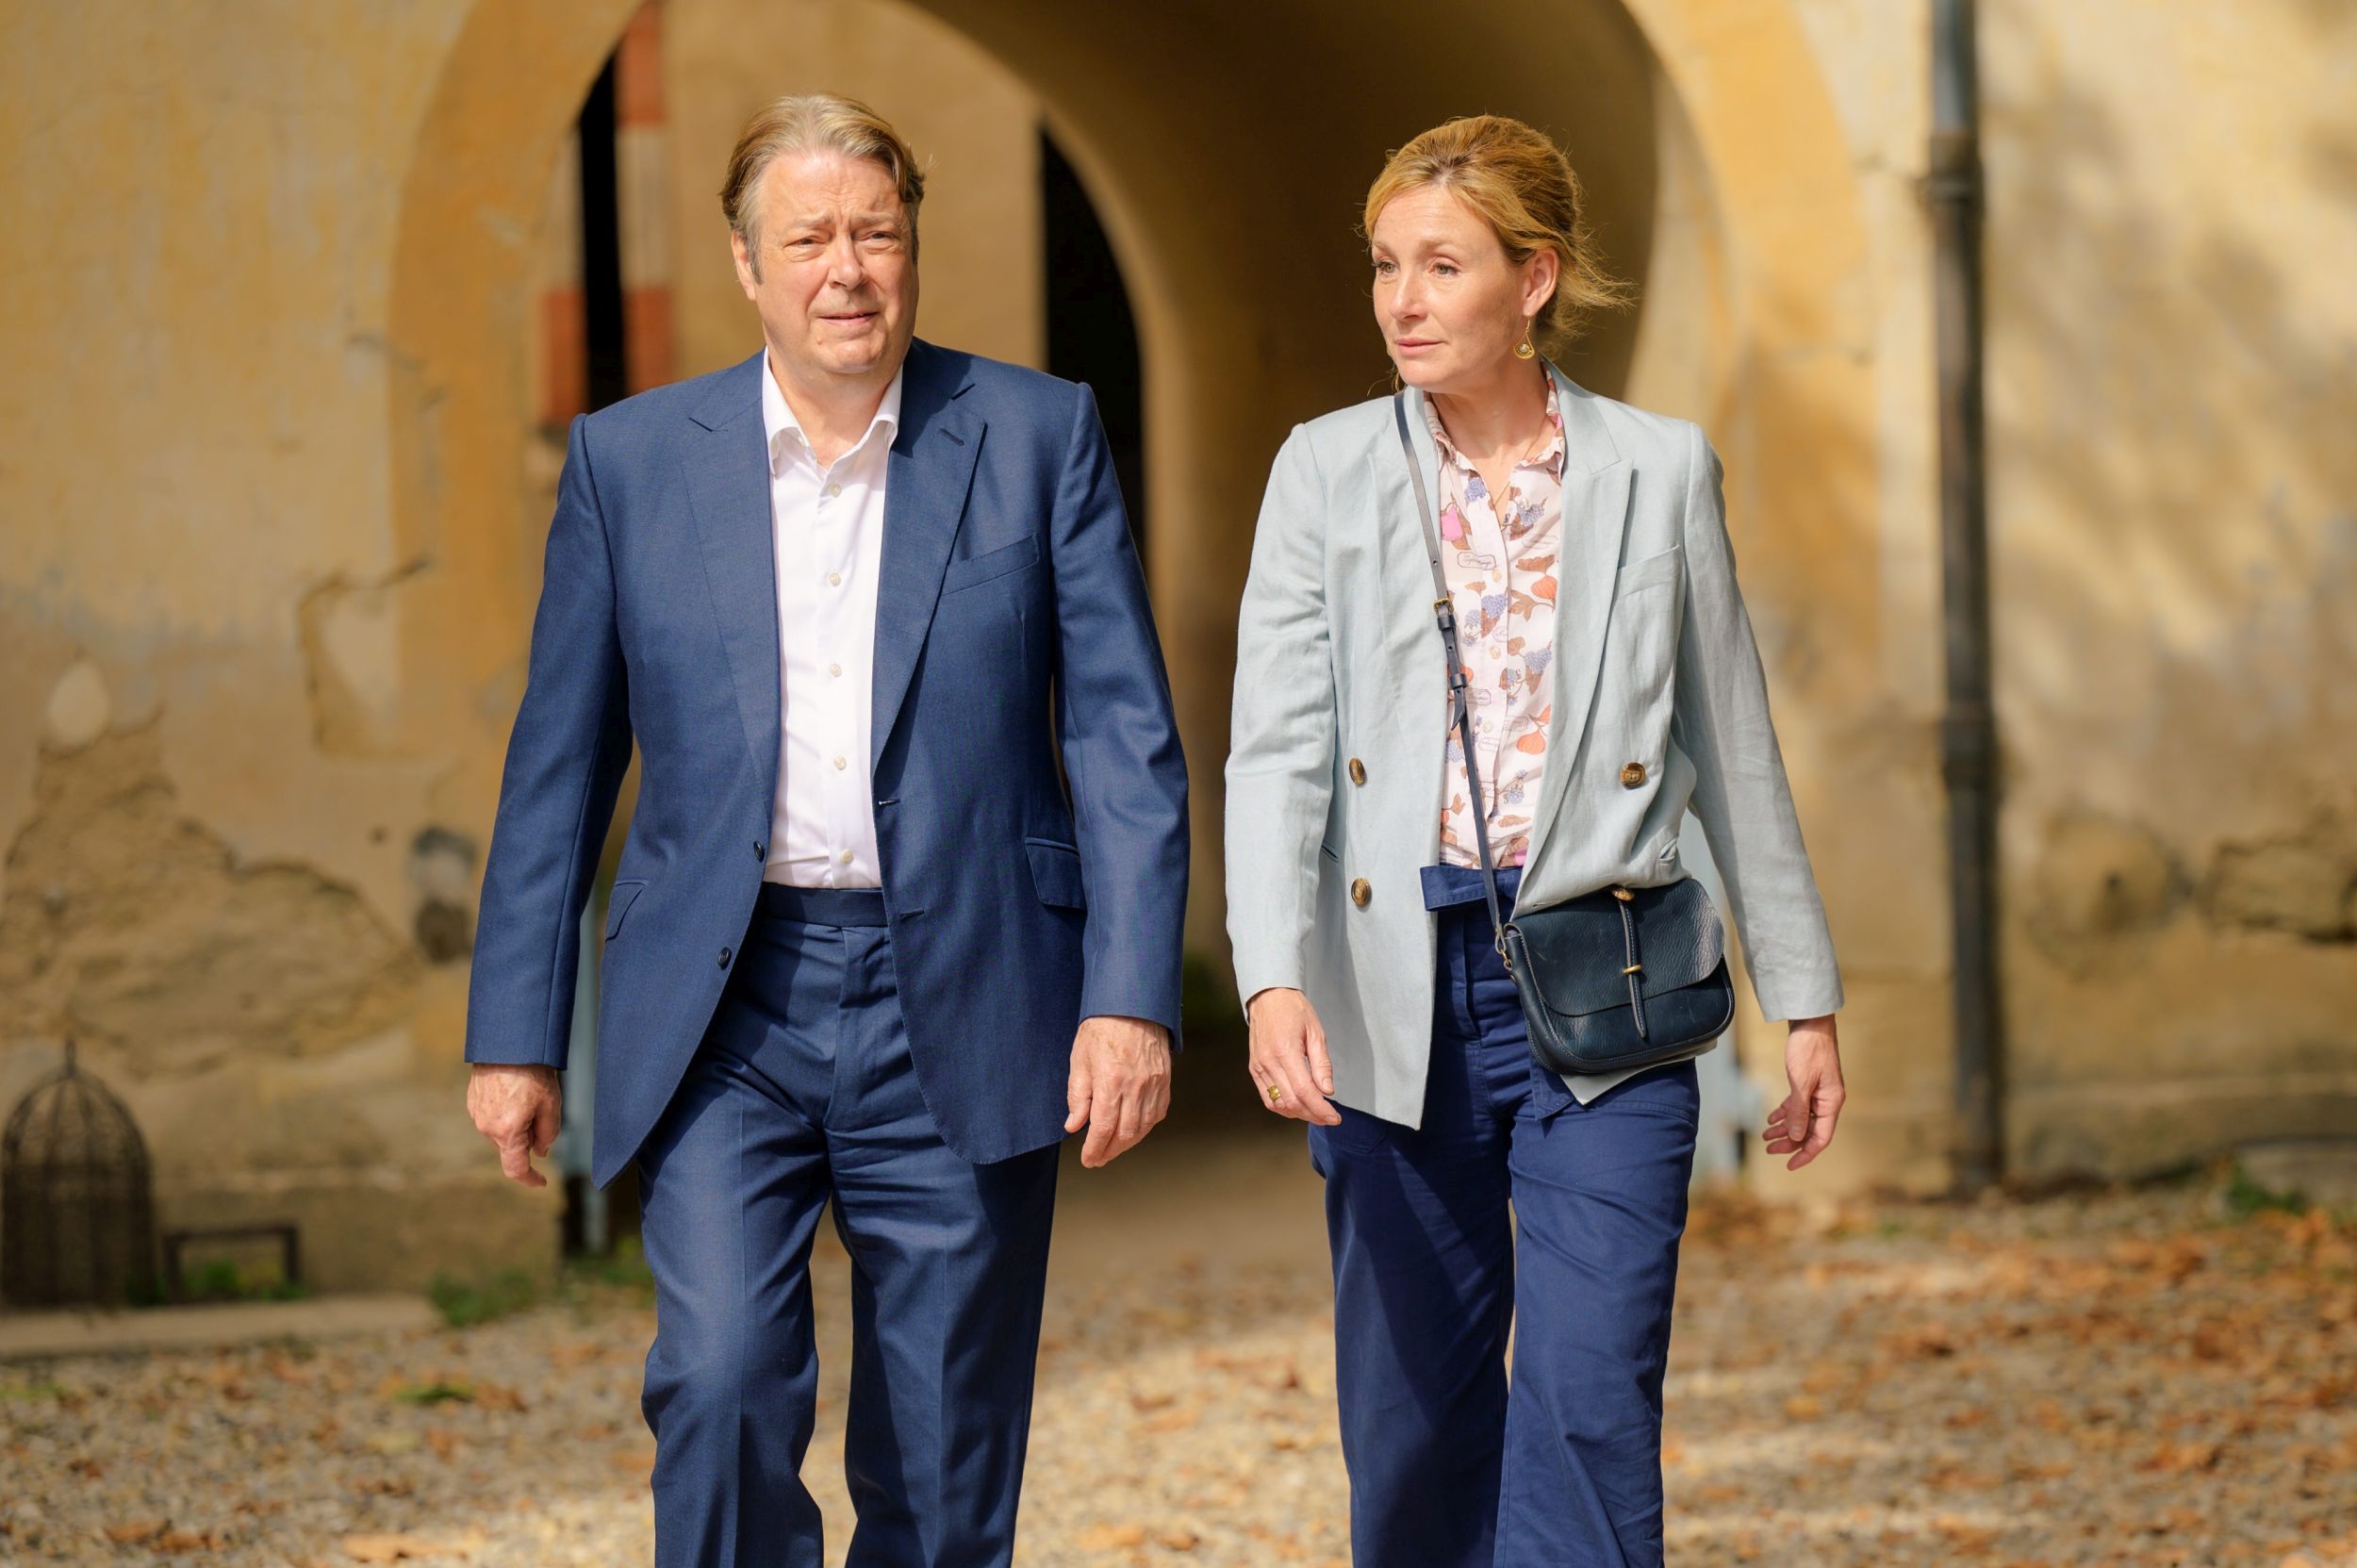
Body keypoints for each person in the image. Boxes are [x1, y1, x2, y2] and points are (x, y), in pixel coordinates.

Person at [461, 93, 1188, 1568]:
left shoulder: (1038, 436)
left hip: (972, 992)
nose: (846, 268)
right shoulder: (633, 463)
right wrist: (515, 1033)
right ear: (747, 264)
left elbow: (1123, 738)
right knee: (721, 1386)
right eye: (809, 238)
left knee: (939, 1446)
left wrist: (1127, 1000)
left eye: (878, 232)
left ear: (913, 248)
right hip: (730, 1002)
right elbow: (559, 762)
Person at [1225, 113, 1846, 1566]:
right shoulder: (1322, 472)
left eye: (1443, 266)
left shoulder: (1658, 470)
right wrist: (1270, 977)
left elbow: (1733, 745)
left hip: (1613, 980)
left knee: (1588, 1403)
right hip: (1394, 994)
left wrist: (1799, 995)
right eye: (1386, 264)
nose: (1403, 299)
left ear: (1535, 277)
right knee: (1419, 1426)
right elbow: (1278, 753)